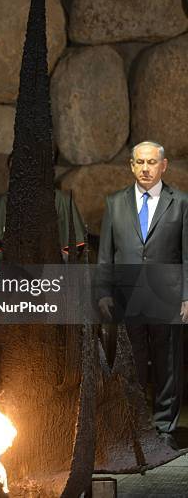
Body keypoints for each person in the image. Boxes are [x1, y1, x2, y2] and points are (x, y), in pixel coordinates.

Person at [97, 140, 188, 450]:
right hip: (126, 296)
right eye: (140, 162)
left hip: (167, 296)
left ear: (163, 165)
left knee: (167, 364)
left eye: (152, 162)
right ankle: (133, 425)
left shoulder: (181, 203)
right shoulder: (115, 203)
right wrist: (103, 292)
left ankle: (164, 428)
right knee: (130, 362)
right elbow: (105, 253)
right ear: (131, 166)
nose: (146, 168)